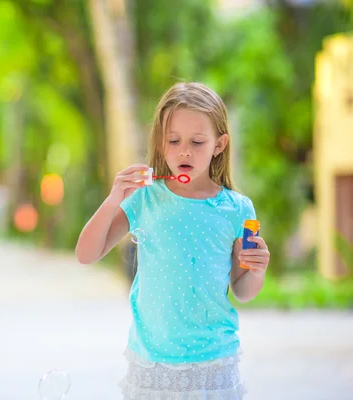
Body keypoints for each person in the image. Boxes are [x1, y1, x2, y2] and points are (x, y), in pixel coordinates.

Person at [75, 82, 271, 399]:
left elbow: (243, 290)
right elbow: (86, 253)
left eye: (197, 141)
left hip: (214, 363)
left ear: (219, 145)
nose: (184, 151)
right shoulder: (145, 198)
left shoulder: (238, 210)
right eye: (174, 140)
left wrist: (257, 271)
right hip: (154, 363)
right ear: (160, 143)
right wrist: (114, 198)